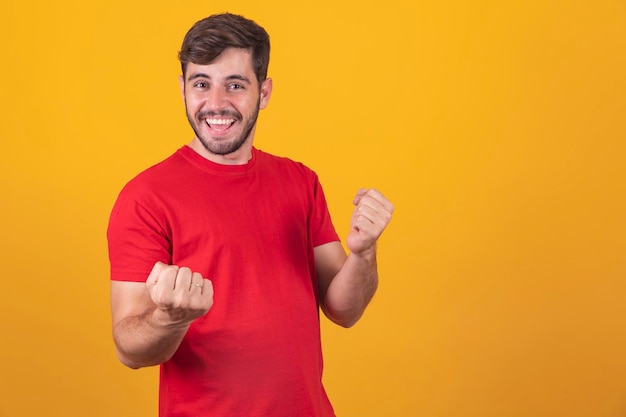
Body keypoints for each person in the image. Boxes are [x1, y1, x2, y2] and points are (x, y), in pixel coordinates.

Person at [107, 12, 394, 417]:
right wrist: (170, 318)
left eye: (235, 85)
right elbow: (129, 348)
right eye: (201, 84)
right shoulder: (145, 197)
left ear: (264, 92)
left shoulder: (300, 181)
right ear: (183, 88)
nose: (216, 104)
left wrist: (364, 253)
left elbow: (344, 309)